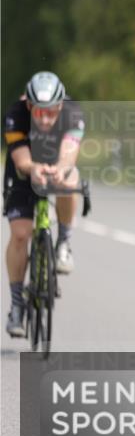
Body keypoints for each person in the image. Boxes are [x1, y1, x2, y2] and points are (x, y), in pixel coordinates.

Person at [4, 72, 85, 337]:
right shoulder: (16, 114)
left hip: (56, 164)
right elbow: (21, 159)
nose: (47, 119)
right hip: (23, 171)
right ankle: (17, 305)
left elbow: (69, 154)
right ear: (29, 106)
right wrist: (33, 168)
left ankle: (63, 243)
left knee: (69, 181)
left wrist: (60, 170)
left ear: (61, 105)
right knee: (20, 235)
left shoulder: (72, 113)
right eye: (40, 113)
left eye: (52, 112)